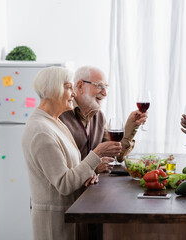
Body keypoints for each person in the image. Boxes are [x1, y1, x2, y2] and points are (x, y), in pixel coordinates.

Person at [22, 67, 119, 240]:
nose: (73, 94)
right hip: (54, 223)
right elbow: (64, 183)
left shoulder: (54, 122)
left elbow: (73, 168)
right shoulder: (41, 131)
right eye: (68, 87)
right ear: (53, 90)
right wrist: (96, 154)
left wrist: (90, 174)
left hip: (68, 214)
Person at [59, 66, 147, 173]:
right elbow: (60, 168)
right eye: (100, 86)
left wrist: (131, 127)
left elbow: (115, 156)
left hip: (94, 188)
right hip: (73, 189)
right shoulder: (60, 115)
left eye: (106, 88)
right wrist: (93, 168)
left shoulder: (99, 116)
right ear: (80, 86)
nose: (105, 93)